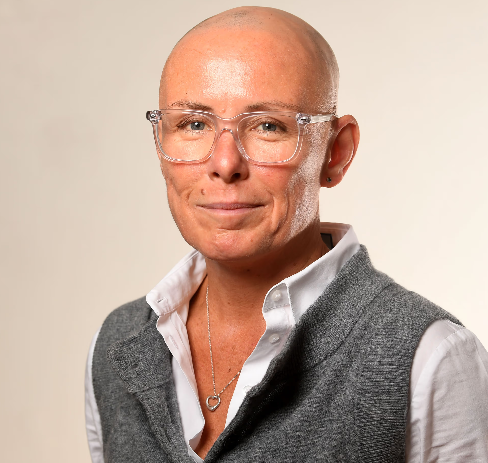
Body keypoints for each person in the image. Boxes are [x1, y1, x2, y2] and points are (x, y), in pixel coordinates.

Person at [85, 6, 488, 462]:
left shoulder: (429, 360)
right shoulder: (116, 345)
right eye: (193, 124)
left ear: (336, 153)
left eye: (268, 126)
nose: (225, 164)